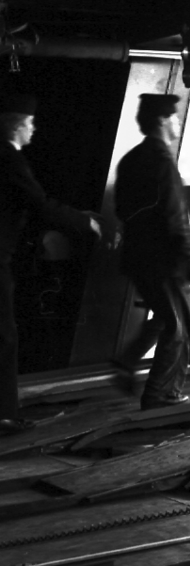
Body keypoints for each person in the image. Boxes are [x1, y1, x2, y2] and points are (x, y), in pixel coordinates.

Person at [0, 93, 101, 432]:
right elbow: (39, 203)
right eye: (30, 123)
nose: (34, 129)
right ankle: (4, 415)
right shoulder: (9, 158)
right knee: (4, 336)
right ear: (16, 126)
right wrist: (84, 222)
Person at [113, 93, 190, 410]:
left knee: (166, 317)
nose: (177, 122)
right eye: (174, 117)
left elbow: (122, 210)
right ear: (162, 121)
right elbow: (176, 218)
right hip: (164, 258)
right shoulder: (163, 162)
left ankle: (127, 361)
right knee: (180, 325)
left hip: (137, 256)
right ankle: (161, 394)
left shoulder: (131, 159)